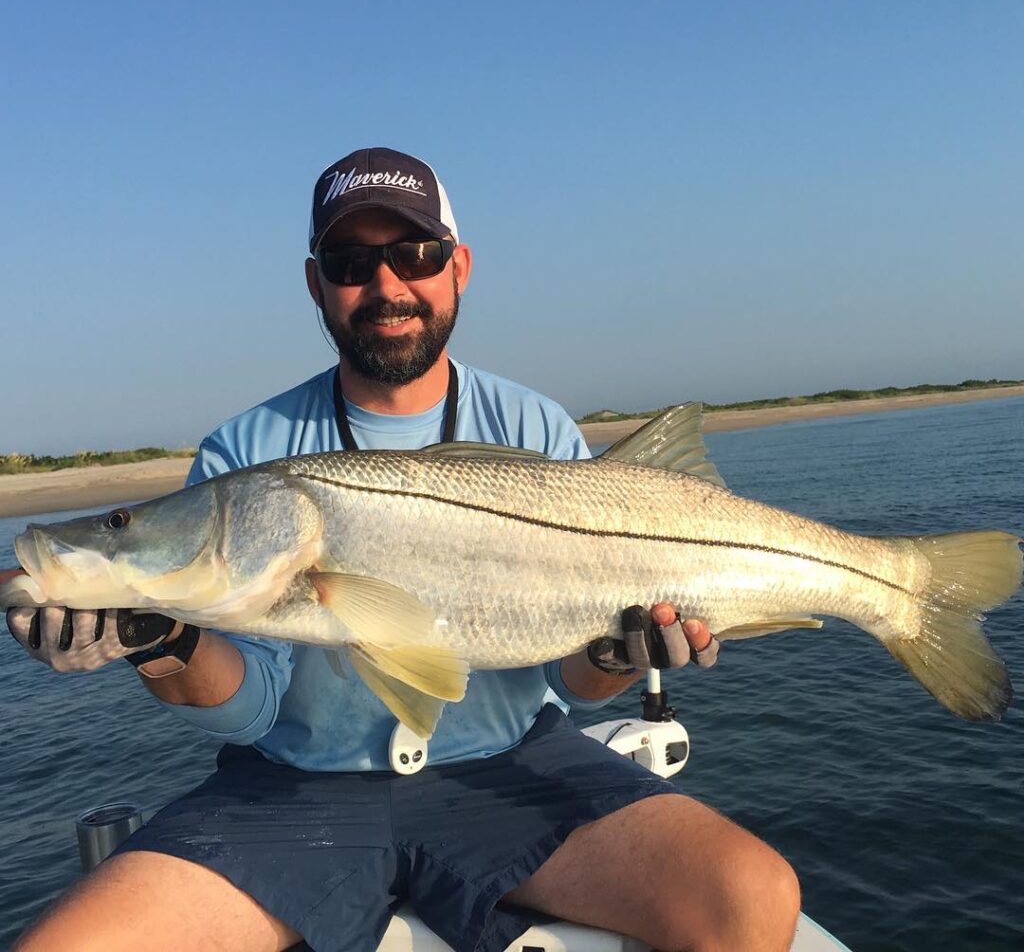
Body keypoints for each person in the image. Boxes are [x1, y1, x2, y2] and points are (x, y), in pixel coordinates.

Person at [6, 148, 800, 952]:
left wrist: (623, 656)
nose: (387, 285)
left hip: (512, 773)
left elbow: (574, 685)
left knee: (750, 897)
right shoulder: (246, 452)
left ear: (457, 267)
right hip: (296, 791)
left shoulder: (539, 431)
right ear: (316, 283)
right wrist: (161, 638)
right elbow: (252, 710)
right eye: (352, 262)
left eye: (415, 256)